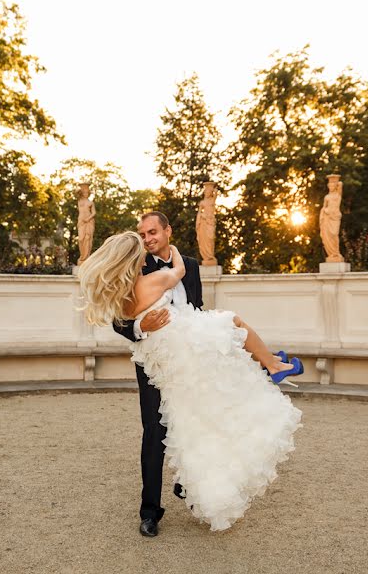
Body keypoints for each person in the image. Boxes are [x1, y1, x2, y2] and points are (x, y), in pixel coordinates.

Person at [79, 223, 303, 534]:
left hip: (180, 350)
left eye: (152, 233)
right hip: (164, 359)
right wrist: (143, 327)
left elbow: (193, 303)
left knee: (197, 421)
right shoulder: (157, 277)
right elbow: (123, 325)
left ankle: (190, 485)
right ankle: (150, 512)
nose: (148, 240)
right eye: (142, 237)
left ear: (167, 230)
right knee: (156, 432)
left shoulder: (125, 287)